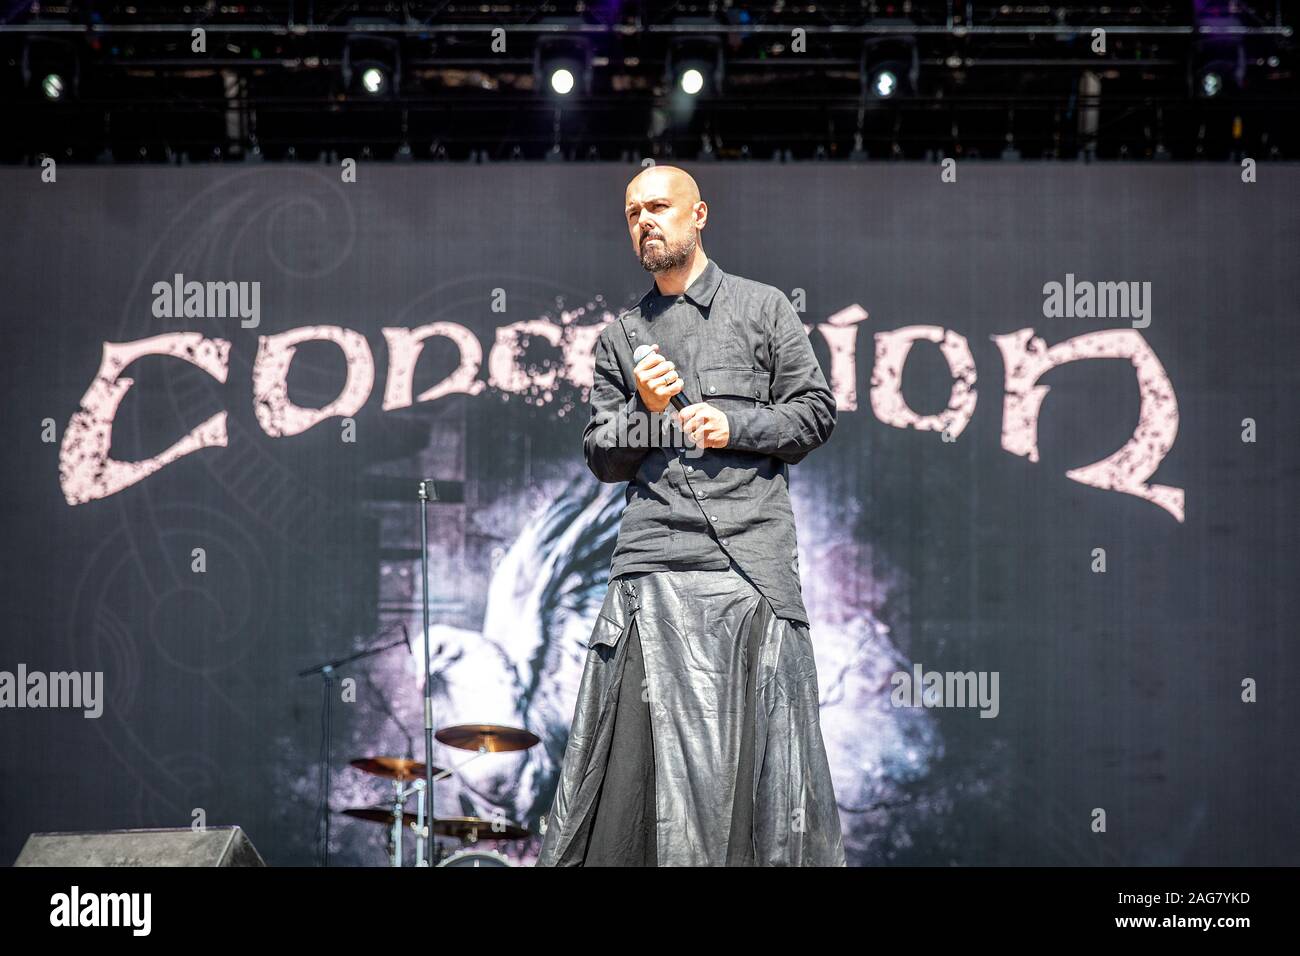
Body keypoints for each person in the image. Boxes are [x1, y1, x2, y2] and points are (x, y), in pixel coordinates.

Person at [536, 164, 845, 867]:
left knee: (755, 788)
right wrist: (647, 413)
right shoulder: (621, 338)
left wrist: (730, 424)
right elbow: (602, 455)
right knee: (631, 797)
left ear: (698, 214)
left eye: (660, 207)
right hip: (651, 572)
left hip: (748, 572)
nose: (646, 220)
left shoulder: (763, 309)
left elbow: (815, 413)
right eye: (633, 212)